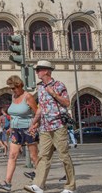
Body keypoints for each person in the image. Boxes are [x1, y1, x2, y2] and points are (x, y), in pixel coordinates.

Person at [24, 60, 76, 193]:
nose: (36, 72)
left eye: (39, 69)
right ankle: (38, 185)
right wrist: (34, 123)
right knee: (43, 156)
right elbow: (41, 107)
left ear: (46, 71)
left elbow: (67, 103)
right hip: (45, 127)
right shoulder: (40, 87)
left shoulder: (59, 85)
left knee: (64, 155)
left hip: (58, 124)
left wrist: (54, 94)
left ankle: (70, 186)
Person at [0, 75, 39, 192]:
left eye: (13, 88)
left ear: (19, 86)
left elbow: (38, 113)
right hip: (16, 131)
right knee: (12, 155)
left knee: (34, 157)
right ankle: (7, 182)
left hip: (28, 130)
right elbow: (14, 114)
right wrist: (11, 127)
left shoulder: (28, 97)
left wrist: (35, 125)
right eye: (10, 88)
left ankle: (40, 179)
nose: (12, 90)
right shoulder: (14, 97)